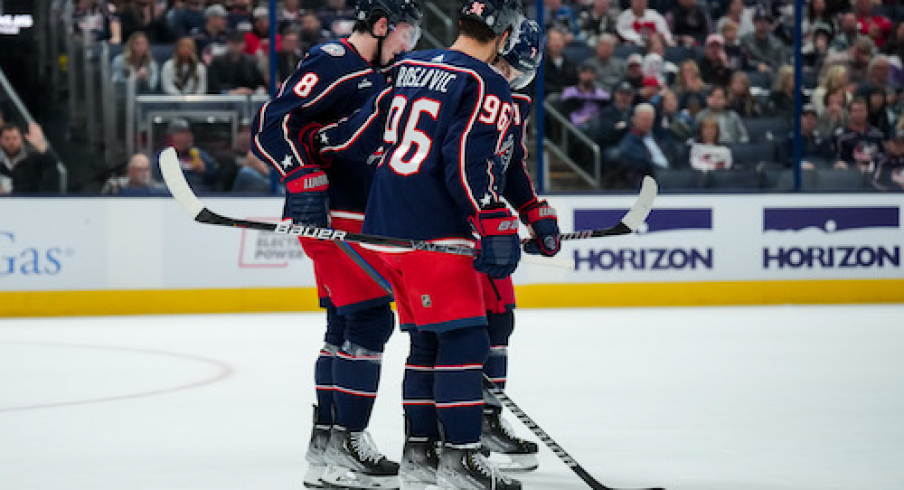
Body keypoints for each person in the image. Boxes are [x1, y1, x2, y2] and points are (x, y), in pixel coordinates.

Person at [317, 1, 525, 487]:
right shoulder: (483, 82)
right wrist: (494, 220)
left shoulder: (410, 65)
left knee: (427, 339)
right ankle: (460, 460)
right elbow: (467, 164)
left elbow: (360, 132)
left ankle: (420, 455)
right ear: (504, 34)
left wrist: (318, 151)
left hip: (382, 227)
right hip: (432, 231)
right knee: (466, 338)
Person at [248, 0, 422, 487]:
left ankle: (325, 446)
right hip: (332, 221)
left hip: (354, 219)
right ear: (383, 26)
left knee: (342, 324)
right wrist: (299, 174)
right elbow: (271, 124)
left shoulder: (379, 72)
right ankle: (348, 443)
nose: (410, 46)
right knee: (369, 319)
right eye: (407, 34)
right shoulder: (333, 61)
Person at [153, 118, 219, 192]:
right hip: (170, 195)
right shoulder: (162, 156)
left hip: (200, 194)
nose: (188, 137)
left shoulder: (199, 154)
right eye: (184, 133)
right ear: (173, 136)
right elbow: (156, 180)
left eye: (189, 133)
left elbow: (216, 178)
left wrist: (205, 170)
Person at [615, 103, 672, 186]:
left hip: (669, 174)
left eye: (649, 119)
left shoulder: (659, 137)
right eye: (644, 119)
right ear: (634, 120)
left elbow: (672, 153)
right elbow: (642, 164)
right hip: (648, 179)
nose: (647, 123)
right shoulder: (629, 142)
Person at [0, 123, 60, 194]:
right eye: (7, 139)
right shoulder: (1, 164)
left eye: (15, 138)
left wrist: (41, 146)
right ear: (1, 140)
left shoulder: (32, 159)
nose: (11, 143)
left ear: (21, 139)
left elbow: (51, 164)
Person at [833, 98, 886, 172]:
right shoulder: (841, 136)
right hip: (849, 174)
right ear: (849, 113)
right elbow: (835, 158)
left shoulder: (877, 134)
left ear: (867, 112)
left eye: (862, 111)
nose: (859, 114)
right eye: (855, 111)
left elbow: (884, 156)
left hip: (873, 174)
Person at [561, 61, 610, 131]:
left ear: (595, 76)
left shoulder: (602, 95)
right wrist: (581, 120)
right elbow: (566, 113)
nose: (588, 76)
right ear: (579, 75)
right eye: (585, 73)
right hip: (575, 124)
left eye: (591, 73)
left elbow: (605, 113)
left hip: (596, 123)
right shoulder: (570, 92)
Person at [781, 104, 834, 169]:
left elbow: (831, 158)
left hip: (822, 172)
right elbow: (785, 159)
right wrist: (800, 164)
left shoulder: (823, 139)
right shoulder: (790, 139)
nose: (809, 119)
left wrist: (837, 162)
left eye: (812, 116)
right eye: (805, 116)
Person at [741, 8, 787, 74]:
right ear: (754, 22)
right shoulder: (745, 40)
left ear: (768, 23)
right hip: (753, 73)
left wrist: (771, 68)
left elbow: (782, 63)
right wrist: (757, 65)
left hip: (773, 74)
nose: (762, 24)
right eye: (759, 21)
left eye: (765, 21)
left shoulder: (777, 43)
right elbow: (743, 61)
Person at [102, 153, 166, 194]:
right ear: (130, 171)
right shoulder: (114, 186)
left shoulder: (156, 188)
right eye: (140, 169)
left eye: (147, 169)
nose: (145, 173)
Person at [542, 28, 578, 95]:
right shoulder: (541, 64)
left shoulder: (571, 64)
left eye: (559, 40)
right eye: (554, 40)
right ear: (548, 43)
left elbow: (574, 83)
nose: (557, 43)